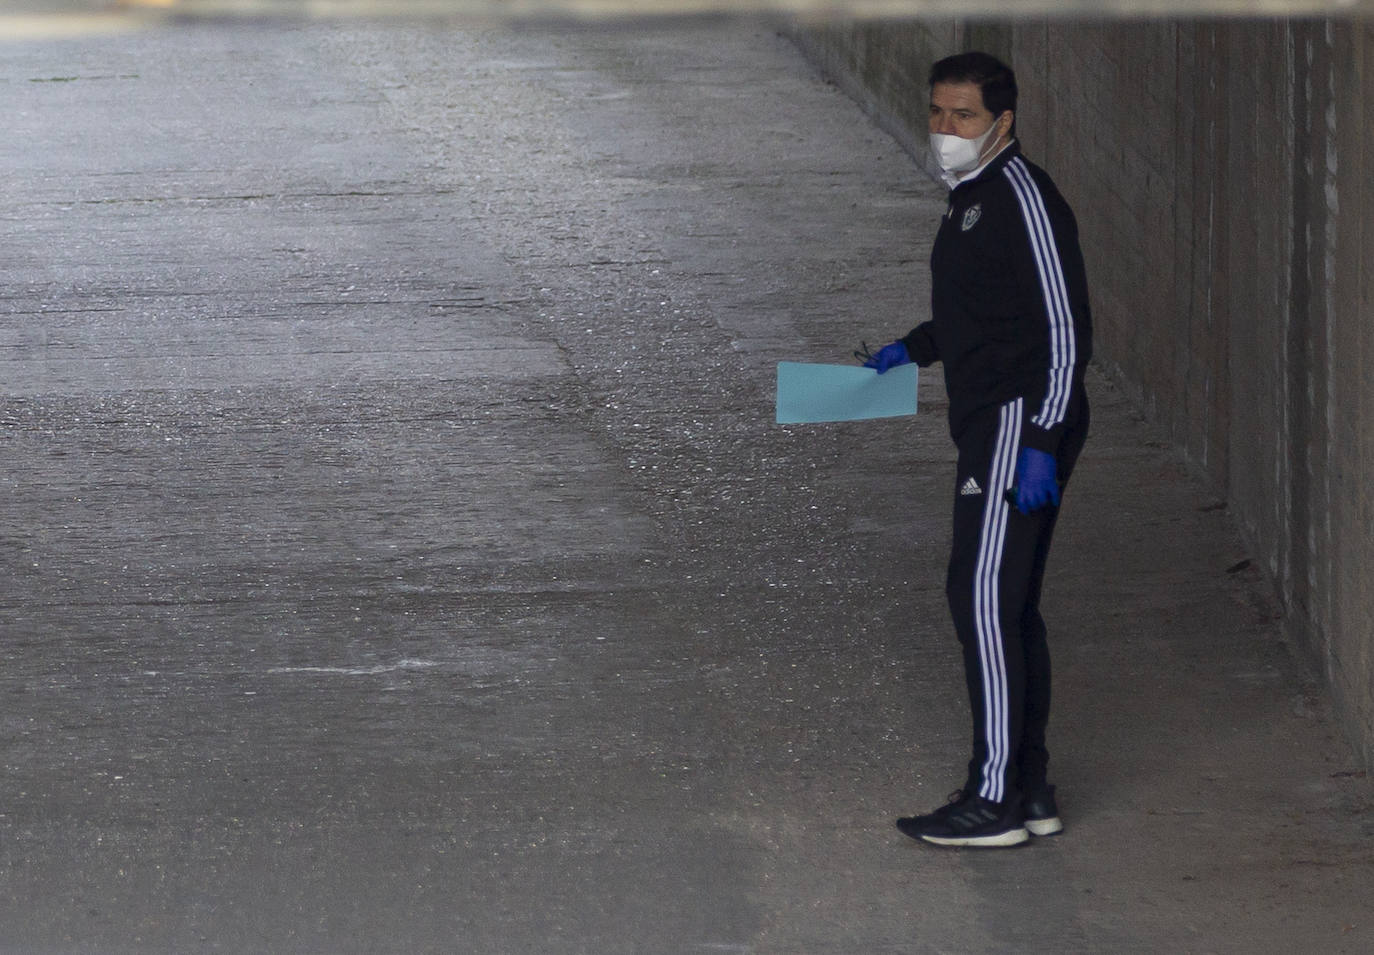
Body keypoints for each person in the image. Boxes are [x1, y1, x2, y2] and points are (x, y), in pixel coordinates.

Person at [862, 51, 1092, 848]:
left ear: (1004, 122)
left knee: (981, 599)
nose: (945, 129)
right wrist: (914, 346)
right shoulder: (971, 199)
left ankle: (991, 796)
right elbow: (988, 312)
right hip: (996, 417)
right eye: (936, 111)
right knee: (1009, 603)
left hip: (1016, 422)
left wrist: (1041, 441)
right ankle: (1029, 788)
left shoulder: (1022, 198)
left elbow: (1064, 333)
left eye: (962, 115)